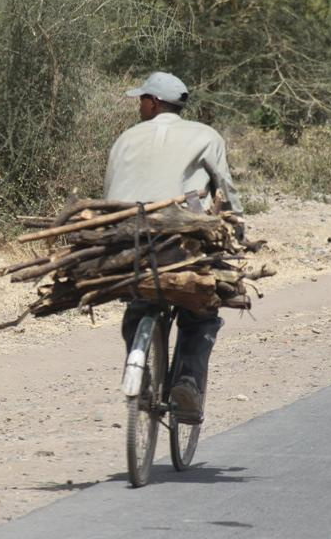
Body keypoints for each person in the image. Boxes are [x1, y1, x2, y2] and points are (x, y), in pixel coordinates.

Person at [103, 71, 243, 425]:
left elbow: (109, 195)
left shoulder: (124, 139)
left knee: (139, 306)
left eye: (141, 100)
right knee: (200, 312)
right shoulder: (206, 135)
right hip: (182, 243)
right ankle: (187, 383)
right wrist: (234, 226)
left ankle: (140, 369)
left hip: (129, 243)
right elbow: (224, 187)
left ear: (152, 102)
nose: (139, 105)